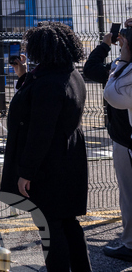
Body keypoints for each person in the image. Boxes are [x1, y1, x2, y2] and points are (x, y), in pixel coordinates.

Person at [0, 22, 90, 272]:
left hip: (48, 165)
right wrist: (24, 76)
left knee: (51, 227)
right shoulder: (69, 74)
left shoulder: (48, 84)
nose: (27, 50)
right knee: (67, 222)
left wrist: (26, 172)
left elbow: (40, 132)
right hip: (68, 157)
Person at [85, 19, 132, 262]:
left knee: (128, 192)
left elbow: (91, 69)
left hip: (127, 140)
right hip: (125, 138)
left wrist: (106, 46)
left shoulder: (122, 72)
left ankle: (130, 243)